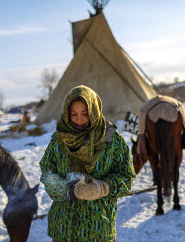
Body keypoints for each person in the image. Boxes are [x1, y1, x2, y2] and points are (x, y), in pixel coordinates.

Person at [40, 85, 136, 241]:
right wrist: (67, 189)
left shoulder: (111, 138)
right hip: (63, 229)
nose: (79, 119)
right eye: (73, 114)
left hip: (98, 230)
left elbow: (126, 177)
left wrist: (102, 188)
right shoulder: (60, 138)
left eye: (85, 113)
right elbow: (47, 170)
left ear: (94, 110)